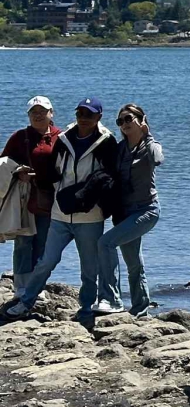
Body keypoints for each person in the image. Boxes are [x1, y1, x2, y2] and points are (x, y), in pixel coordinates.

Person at [5, 97, 119, 328]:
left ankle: (86, 308)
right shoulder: (64, 139)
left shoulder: (106, 142)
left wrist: (98, 200)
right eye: (80, 114)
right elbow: (53, 171)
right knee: (46, 261)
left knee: (89, 267)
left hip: (90, 216)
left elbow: (111, 177)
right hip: (60, 212)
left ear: (98, 117)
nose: (83, 119)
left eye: (89, 115)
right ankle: (26, 301)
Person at [96, 103, 164, 316]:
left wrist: (148, 135)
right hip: (123, 213)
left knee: (105, 243)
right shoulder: (119, 149)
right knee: (134, 264)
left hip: (147, 210)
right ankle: (141, 310)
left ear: (141, 120)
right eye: (120, 121)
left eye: (128, 119)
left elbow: (158, 159)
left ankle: (112, 299)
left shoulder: (150, 146)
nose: (124, 124)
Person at [2, 96, 60, 283]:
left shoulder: (61, 137)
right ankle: (21, 285)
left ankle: (37, 285)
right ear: (28, 115)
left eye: (42, 111)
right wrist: (18, 172)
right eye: (34, 112)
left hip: (49, 198)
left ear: (51, 113)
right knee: (23, 242)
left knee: (43, 243)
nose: (38, 115)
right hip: (23, 197)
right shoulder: (20, 137)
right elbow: (4, 164)